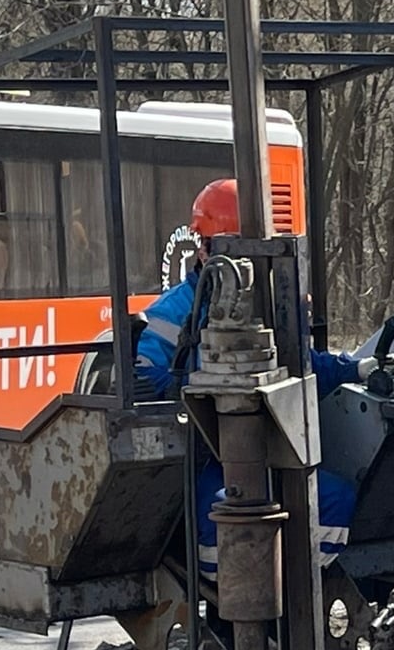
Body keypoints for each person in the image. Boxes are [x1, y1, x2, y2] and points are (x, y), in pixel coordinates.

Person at [136, 179, 361, 572]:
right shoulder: (172, 312)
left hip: (272, 445)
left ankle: (291, 594)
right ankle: (233, 607)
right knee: (224, 510)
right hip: (206, 455)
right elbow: (147, 382)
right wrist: (205, 375)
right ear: (205, 248)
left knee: (333, 499)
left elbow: (301, 362)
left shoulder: (274, 302)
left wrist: (355, 367)